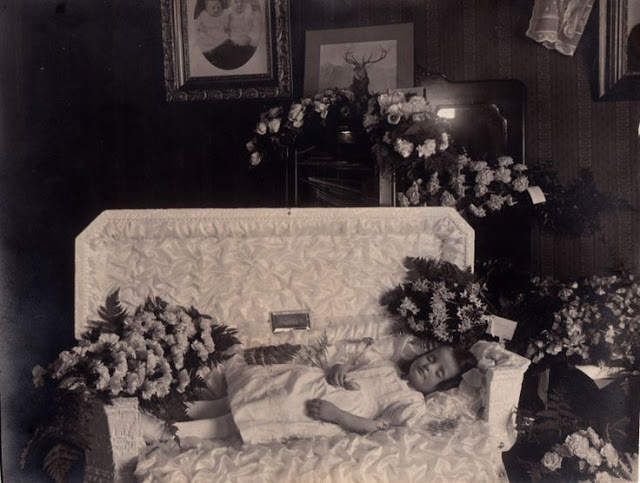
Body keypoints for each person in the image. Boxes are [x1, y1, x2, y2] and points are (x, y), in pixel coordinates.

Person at [172, 336, 477, 443]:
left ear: (440, 386)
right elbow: (350, 359)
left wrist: (340, 416)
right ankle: (181, 410)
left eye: (438, 372)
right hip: (310, 382)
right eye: (431, 358)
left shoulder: (412, 403)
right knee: (246, 397)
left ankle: (173, 432)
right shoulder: (387, 365)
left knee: (252, 415)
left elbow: (382, 430)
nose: (428, 366)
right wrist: (339, 367)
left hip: (323, 411)